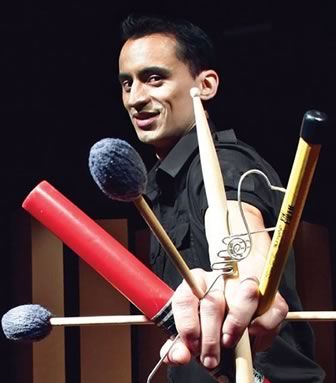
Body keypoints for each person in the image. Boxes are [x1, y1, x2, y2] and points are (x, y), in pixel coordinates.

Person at [118, 13, 325, 382]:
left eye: (154, 78)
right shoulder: (158, 187)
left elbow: (235, 225)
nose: (136, 98)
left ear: (206, 85)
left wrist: (249, 285)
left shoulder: (225, 162)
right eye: (126, 83)